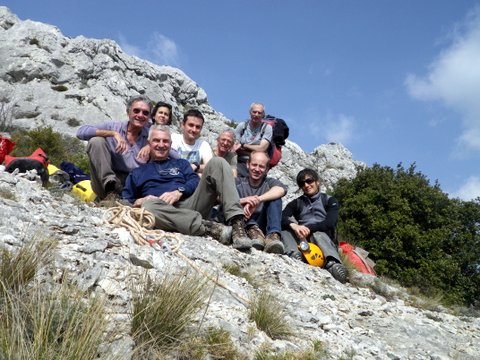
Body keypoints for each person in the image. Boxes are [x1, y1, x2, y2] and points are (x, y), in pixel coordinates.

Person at [122, 125, 252, 250]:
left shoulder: (181, 163)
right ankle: (208, 227)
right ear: (149, 142)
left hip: (189, 204)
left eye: (165, 141)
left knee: (218, 162)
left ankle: (237, 224)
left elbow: (194, 180)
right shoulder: (137, 172)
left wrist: (179, 191)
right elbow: (126, 202)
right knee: (148, 208)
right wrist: (141, 201)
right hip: (161, 210)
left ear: (171, 143)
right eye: (157, 140)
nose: (161, 145)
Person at [76, 96, 151, 199]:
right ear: (128, 112)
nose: (140, 115)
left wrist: (151, 145)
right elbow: (81, 132)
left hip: (133, 185)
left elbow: (171, 152)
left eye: (145, 113)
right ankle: (110, 189)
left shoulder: (151, 134)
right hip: (106, 183)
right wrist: (112, 134)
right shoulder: (113, 126)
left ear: (148, 117)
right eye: (136, 111)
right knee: (96, 141)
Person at [281, 168, 348, 283]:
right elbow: (281, 217)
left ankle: (333, 263)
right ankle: (294, 256)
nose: (306, 185)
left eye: (309, 181)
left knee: (318, 234)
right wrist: (294, 226)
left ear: (317, 182)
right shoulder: (296, 203)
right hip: (303, 238)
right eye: (302, 183)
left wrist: (309, 228)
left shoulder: (329, 200)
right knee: (285, 231)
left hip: (323, 237)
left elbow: (330, 222)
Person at [236, 151, 286, 254]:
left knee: (275, 198)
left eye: (261, 167)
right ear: (248, 164)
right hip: (242, 222)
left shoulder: (269, 182)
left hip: (262, 223)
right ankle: (253, 233)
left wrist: (257, 200)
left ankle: (273, 236)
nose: (257, 169)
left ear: (267, 169)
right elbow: (221, 198)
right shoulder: (237, 182)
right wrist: (244, 201)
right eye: (254, 165)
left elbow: (281, 190)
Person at [234, 102, 273, 177]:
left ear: (263, 115)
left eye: (259, 113)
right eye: (254, 112)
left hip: (257, 164)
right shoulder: (242, 126)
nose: (256, 115)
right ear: (250, 113)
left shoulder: (267, 128)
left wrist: (244, 145)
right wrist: (254, 148)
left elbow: (262, 148)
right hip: (239, 161)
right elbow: (235, 145)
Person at [171, 109, 213, 175]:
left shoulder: (203, 145)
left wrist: (196, 166)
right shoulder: (174, 138)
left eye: (198, 127)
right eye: (191, 125)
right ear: (183, 125)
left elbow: (210, 167)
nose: (194, 130)